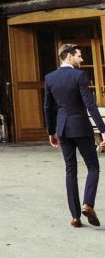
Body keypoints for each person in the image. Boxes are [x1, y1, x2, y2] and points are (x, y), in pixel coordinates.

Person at [44, 44, 105, 227]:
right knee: (93, 167)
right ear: (69, 56)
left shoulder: (50, 78)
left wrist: (51, 131)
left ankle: (75, 216)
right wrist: (103, 130)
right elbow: (90, 105)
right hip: (80, 127)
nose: (82, 59)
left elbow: (48, 107)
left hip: (62, 129)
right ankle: (88, 204)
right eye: (79, 55)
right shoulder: (79, 76)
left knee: (70, 170)